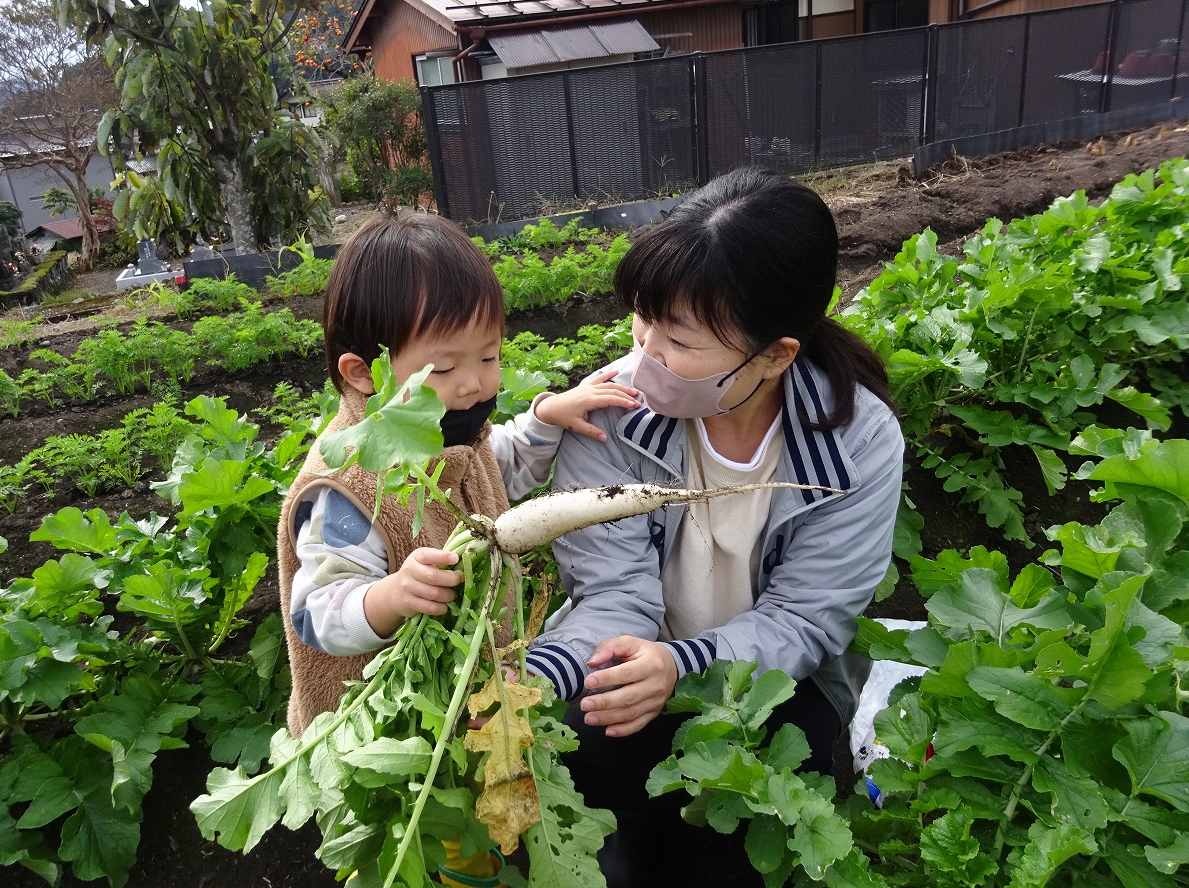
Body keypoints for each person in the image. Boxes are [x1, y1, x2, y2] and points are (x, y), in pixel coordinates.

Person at [523, 166, 905, 886]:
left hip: (779, 681)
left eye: (679, 340)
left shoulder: (858, 443)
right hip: (628, 656)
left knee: (755, 812)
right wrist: (531, 682)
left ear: (775, 355)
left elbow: (803, 620)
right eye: (644, 321)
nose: (645, 356)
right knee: (591, 779)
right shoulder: (607, 415)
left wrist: (681, 665)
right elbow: (610, 594)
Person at [277, 212, 639, 738]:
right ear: (363, 373)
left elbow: (493, 469)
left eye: (489, 356)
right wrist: (392, 597)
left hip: (468, 706)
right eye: (444, 369)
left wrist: (545, 418)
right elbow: (317, 613)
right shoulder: (348, 486)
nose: (473, 383)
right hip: (379, 739)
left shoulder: (453, 430)